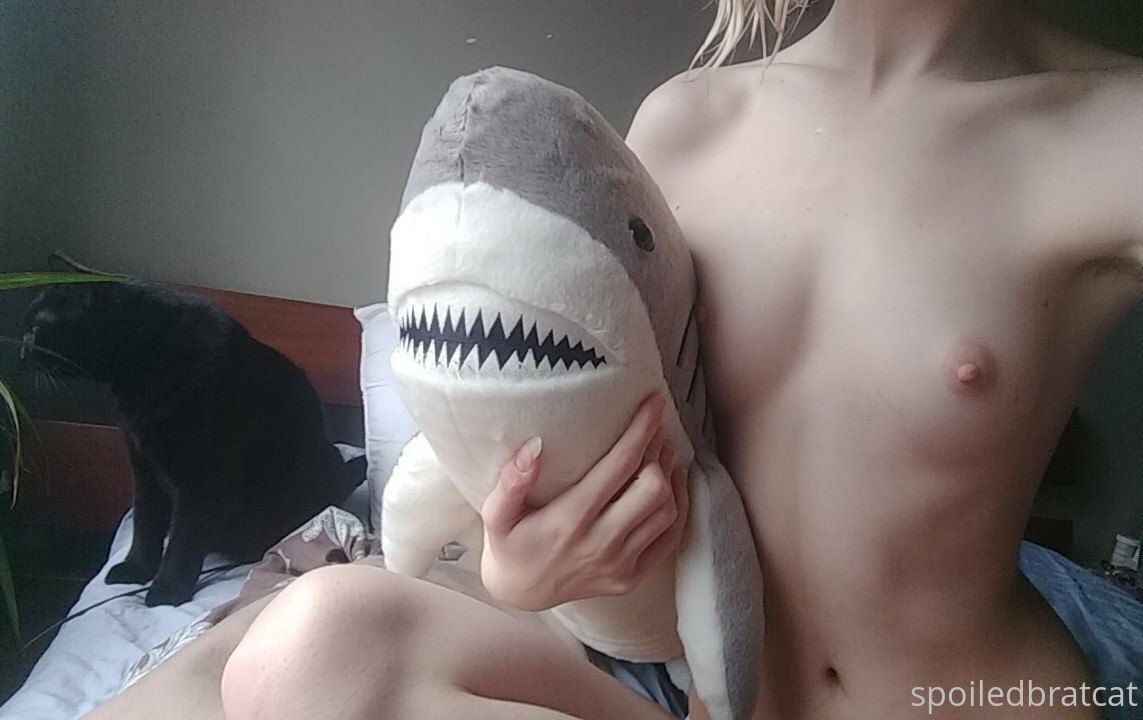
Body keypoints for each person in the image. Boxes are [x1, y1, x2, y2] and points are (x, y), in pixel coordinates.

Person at [88, 1, 1142, 718]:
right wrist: (516, 571)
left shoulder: (1111, 130)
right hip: (699, 693)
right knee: (298, 647)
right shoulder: (688, 121)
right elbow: (608, 420)